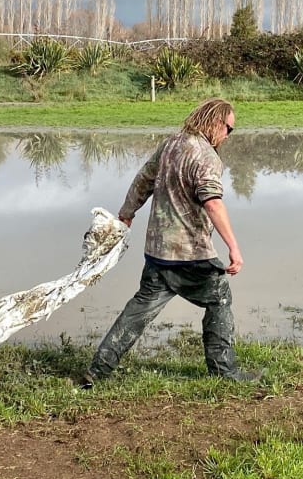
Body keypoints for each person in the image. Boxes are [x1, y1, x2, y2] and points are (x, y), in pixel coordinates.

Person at [81, 97, 267, 387]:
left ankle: (97, 371)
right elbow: (213, 203)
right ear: (216, 123)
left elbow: (143, 178)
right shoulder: (206, 156)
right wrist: (234, 247)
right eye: (229, 129)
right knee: (219, 299)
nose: (228, 136)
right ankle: (224, 371)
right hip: (190, 253)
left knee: (138, 311)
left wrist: (127, 212)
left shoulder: (171, 144)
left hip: (158, 251)